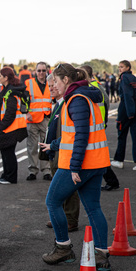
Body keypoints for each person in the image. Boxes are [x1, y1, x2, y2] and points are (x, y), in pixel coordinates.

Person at [40, 63, 111, 271]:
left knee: (52, 201)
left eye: (55, 81)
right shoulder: (85, 96)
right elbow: (73, 135)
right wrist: (54, 145)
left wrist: (74, 167)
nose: (54, 85)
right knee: (93, 208)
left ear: (66, 80)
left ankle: (63, 248)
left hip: (81, 163)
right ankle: (101, 255)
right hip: (96, 161)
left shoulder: (76, 100)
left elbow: (81, 135)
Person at [40, 73, 80, 231]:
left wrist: (54, 145)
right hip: (56, 151)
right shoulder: (57, 104)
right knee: (59, 188)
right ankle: (63, 216)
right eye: (49, 86)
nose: (51, 88)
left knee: (68, 188)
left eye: (54, 84)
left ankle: (70, 219)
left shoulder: (65, 104)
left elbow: (67, 133)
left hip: (62, 151)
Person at [0, 67, 30, 184]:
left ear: (6, 78)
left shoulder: (11, 93)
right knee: (5, 153)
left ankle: (11, 177)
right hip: (10, 127)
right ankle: (6, 175)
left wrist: (1, 126)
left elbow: (10, 113)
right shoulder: (9, 90)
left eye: (0, 76)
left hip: (10, 128)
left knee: (8, 154)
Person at [111, 60, 136, 171]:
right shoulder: (135, 78)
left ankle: (119, 160)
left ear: (128, 68)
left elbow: (127, 95)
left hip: (126, 110)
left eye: (122, 67)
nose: (120, 69)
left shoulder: (124, 78)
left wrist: (130, 113)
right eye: (119, 67)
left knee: (122, 135)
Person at [25, 62, 53, 181]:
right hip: (32, 119)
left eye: (43, 70)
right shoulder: (29, 83)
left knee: (45, 145)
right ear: (35, 72)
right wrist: (26, 112)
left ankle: (46, 171)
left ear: (47, 71)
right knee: (32, 146)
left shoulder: (51, 83)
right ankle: (33, 170)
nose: (41, 73)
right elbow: (23, 100)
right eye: (39, 71)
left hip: (46, 118)